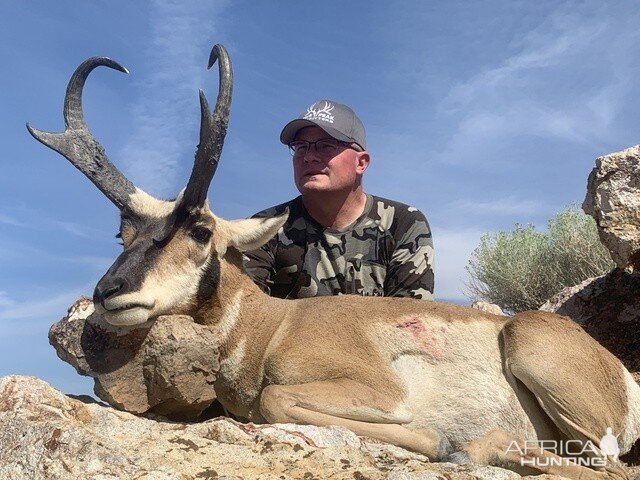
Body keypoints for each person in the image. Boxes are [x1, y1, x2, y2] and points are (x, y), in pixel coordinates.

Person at [243, 99, 434, 300]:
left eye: (326, 146)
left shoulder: (403, 223)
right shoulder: (264, 228)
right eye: (300, 147)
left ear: (361, 163)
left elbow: (410, 323)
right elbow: (248, 315)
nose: (308, 157)